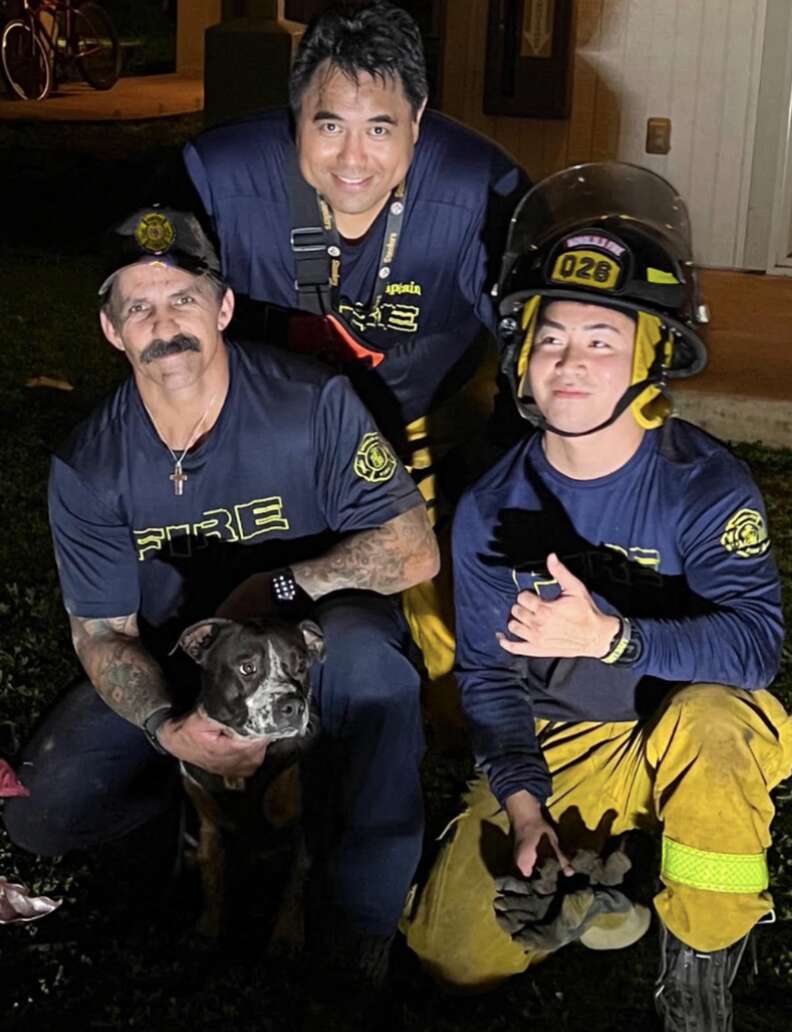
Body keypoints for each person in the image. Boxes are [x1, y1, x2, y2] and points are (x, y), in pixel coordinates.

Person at [3, 206, 439, 1005]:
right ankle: (187, 827)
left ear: (224, 307)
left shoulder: (314, 403)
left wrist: (284, 586)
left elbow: (414, 547)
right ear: (112, 330)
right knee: (42, 814)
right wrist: (168, 727)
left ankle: (360, 915)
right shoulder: (91, 462)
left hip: (320, 637)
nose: (164, 326)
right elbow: (101, 634)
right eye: (139, 307)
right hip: (183, 658)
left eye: (183, 299)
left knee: (374, 668)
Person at [405, 162, 791, 1031]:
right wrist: (525, 807)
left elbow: (752, 650)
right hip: (561, 738)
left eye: (602, 340)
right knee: (450, 955)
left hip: (675, 730)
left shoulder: (705, 487)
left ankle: (700, 966)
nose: (570, 362)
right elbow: (490, 680)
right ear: (521, 359)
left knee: (720, 726)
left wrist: (615, 637)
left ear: (653, 355)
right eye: (551, 340)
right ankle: (594, 860)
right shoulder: (490, 509)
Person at [181, 0, 529, 704]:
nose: (352, 158)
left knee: (453, 651)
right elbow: (151, 306)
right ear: (295, 115)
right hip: (269, 438)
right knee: (200, 612)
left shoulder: (478, 187)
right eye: (329, 123)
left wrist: (507, 462)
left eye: (380, 127)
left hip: (419, 432)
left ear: (418, 121)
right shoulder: (216, 175)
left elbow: (538, 341)